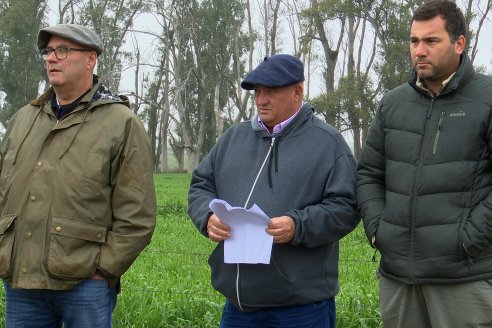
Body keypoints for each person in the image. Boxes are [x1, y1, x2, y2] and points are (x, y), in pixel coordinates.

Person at [0, 24, 156, 327]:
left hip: (85, 285)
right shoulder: (23, 119)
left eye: (63, 50)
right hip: (21, 283)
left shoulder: (120, 122)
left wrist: (103, 271)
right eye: (48, 52)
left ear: (91, 59)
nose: (51, 59)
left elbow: (137, 214)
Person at [188, 54, 359, 328]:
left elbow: (347, 207)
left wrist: (297, 225)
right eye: (257, 91)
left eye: (271, 91)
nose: (260, 100)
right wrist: (207, 217)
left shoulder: (328, 143)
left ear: (298, 91)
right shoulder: (234, 138)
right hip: (238, 308)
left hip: (300, 310)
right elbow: (200, 186)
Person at [357, 0, 492, 327]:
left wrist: (467, 238)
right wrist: (378, 230)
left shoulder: (486, 99)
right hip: (399, 279)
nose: (419, 50)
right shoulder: (392, 104)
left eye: (431, 41)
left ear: (459, 44)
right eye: (414, 41)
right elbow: (369, 175)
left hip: (463, 278)